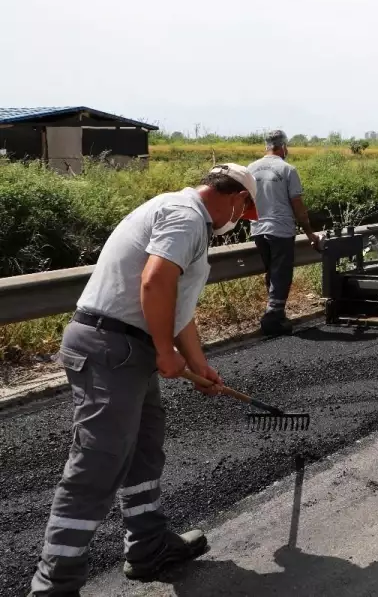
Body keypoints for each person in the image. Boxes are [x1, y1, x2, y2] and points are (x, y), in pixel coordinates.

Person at [28, 165, 256, 597]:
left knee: (145, 447)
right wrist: (166, 353)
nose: (238, 222)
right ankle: (53, 585)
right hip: (110, 346)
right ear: (236, 199)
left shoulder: (187, 217)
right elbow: (155, 283)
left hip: (130, 348)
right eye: (243, 212)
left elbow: (177, 307)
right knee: (98, 463)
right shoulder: (186, 215)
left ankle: (148, 546)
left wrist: (199, 365)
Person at [248, 130, 321, 335]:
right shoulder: (288, 169)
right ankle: (272, 318)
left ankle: (276, 313)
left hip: (257, 229)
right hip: (279, 229)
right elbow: (297, 206)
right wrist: (309, 234)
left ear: (266, 146)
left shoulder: (250, 169)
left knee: (272, 272)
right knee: (282, 273)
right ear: (283, 146)